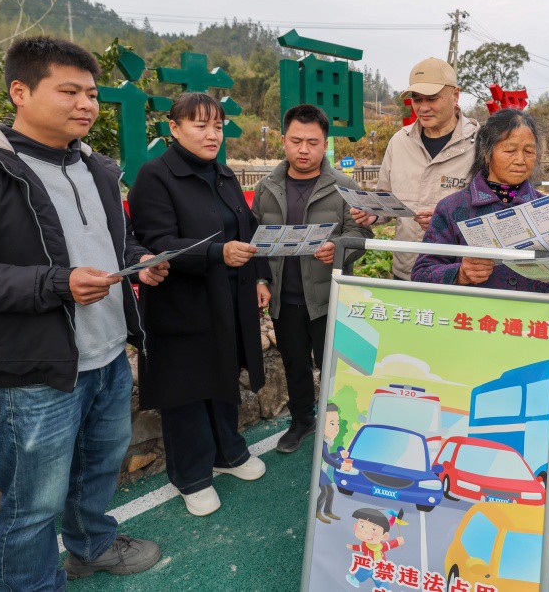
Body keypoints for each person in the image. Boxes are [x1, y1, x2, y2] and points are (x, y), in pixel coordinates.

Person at [0, 36, 167, 589]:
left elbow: (113, 243)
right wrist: (56, 284)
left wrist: (139, 262)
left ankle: (91, 547)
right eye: (69, 91)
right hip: (32, 373)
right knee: (32, 505)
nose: (86, 104)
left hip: (108, 354)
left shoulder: (96, 167)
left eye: (92, 94)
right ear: (20, 91)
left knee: (98, 472)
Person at [127, 92, 269, 517]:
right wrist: (216, 253)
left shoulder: (223, 174)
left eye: (218, 126)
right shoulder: (155, 176)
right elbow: (158, 241)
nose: (212, 135)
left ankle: (228, 452)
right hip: (181, 302)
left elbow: (248, 229)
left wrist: (259, 276)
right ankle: (191, 475)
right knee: (186, 388)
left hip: (227, 298)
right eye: (200, 125)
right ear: (174, 128)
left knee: (222, 375)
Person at [251, 104, 373, 453]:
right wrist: (260, 280)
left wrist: (338, 249)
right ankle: (302, 420)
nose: (303, 149)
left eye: (312, 142)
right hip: (284, 297)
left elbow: (361, 235)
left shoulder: (344, 186)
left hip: (328, 296)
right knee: (295, 366)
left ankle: (342, 428)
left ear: (325, 144)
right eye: (296, 141)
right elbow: (253, 237)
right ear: (283, 141)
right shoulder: (267, 187)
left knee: (335, 367)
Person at [411, 109, 549, 322]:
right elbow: (422, 273)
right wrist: (461, 273)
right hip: (469, 325)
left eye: (529, 151)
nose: (520, 160)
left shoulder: (548, 208)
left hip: (532, 327)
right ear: (486, 152)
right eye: (510, 150)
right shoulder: (452, 208)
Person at [351, 57, 479, 280]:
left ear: (455, 95)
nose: (423, 108)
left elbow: (494, 210)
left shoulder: (479, 144)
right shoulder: (400, 142)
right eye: (417, 99)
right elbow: (386, 198)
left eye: (432, 98)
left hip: (458, 275)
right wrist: (373, 213)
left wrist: (447, 221)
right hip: (406, 270)